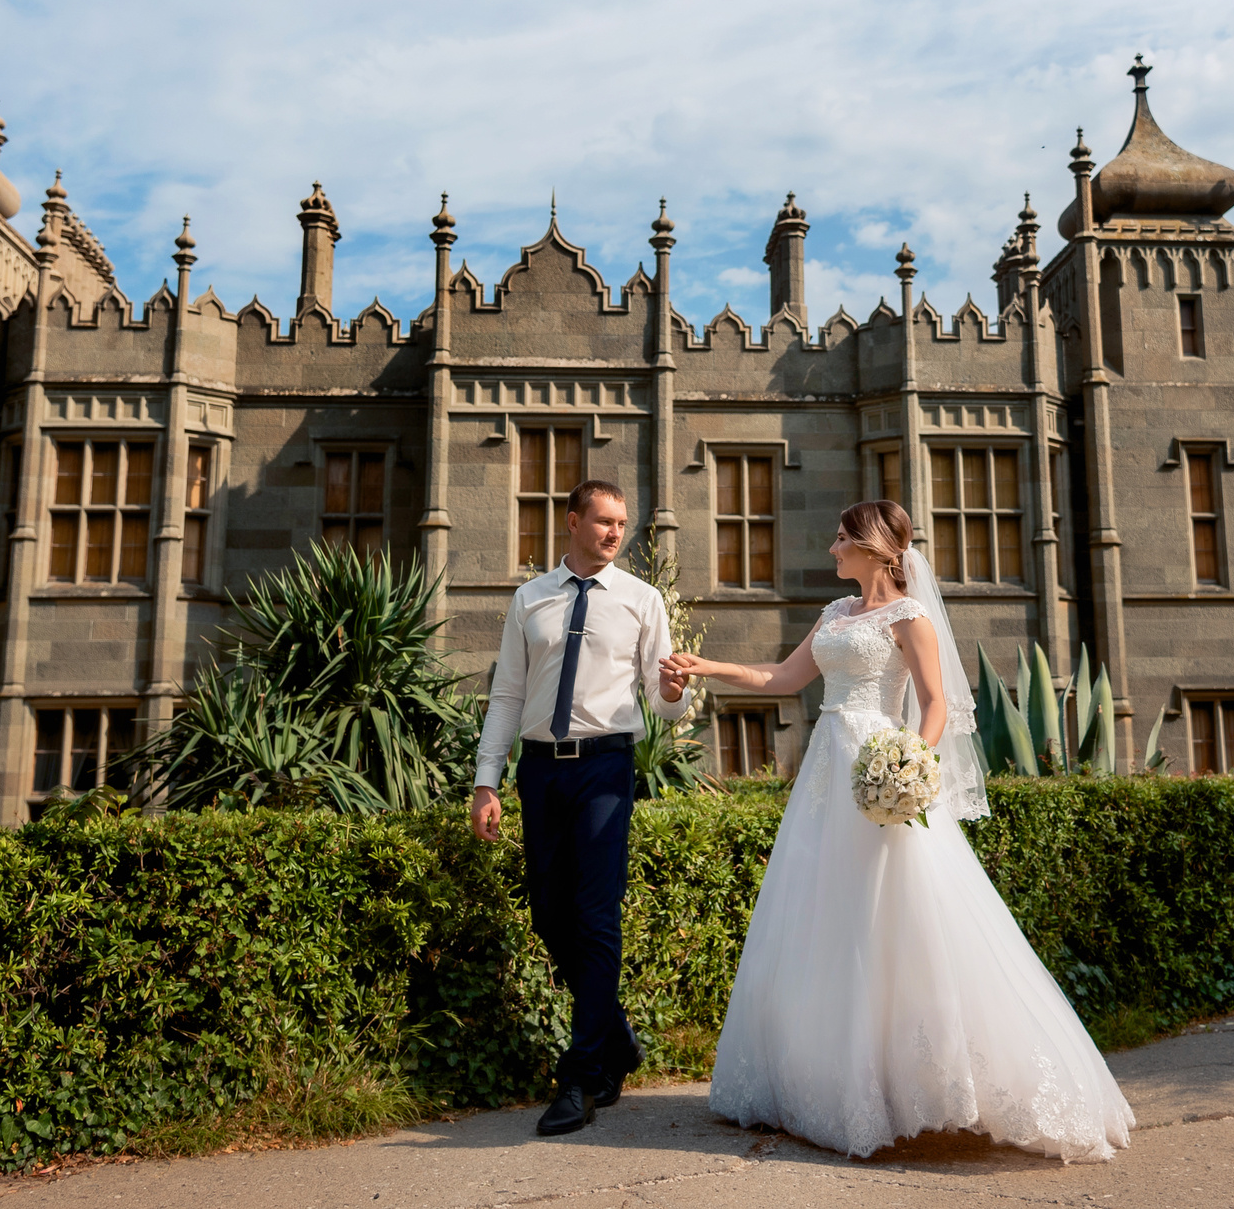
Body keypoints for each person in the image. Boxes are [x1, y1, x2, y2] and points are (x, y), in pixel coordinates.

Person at [663, 499, 1134, 1162]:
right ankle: (828, 1082)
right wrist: (705, 667)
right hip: (827, 774)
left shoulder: (909, 617)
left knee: (898, 919)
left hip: (880, 769)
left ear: (877, 548)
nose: (831, 548)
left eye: (841, 537)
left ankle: (928, 1086)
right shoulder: (833, 615)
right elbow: (782, 677)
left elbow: (938, 702)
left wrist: (912, 759)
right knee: (824, 918)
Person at [471, 478, 686, 1137]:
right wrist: (487, 780)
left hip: (605, 769)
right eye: (603, 520)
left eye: (623, 522)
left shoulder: (643, 600)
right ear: (572, 521)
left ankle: (582, 1074)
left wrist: (676, 689)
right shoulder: (530, 598)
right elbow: (507, 693)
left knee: (595, 917)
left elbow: (665, 699)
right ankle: (615, 1036)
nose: (615, 532)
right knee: (548, 912)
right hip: (539, 771)